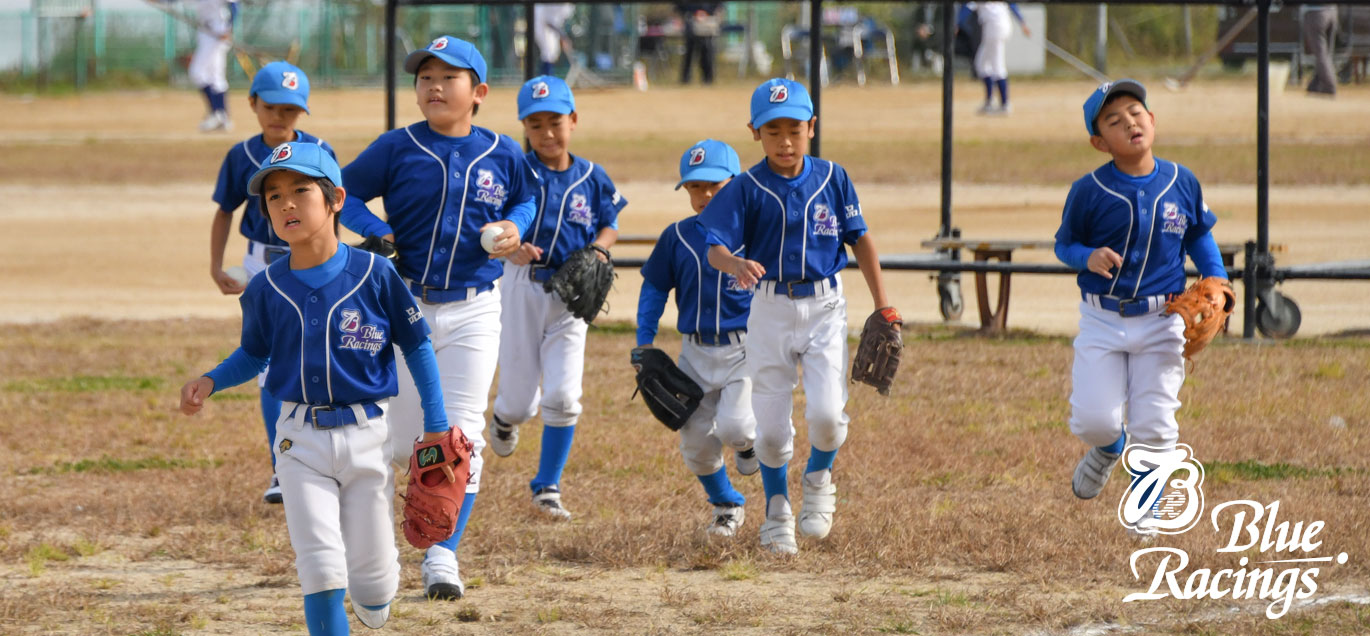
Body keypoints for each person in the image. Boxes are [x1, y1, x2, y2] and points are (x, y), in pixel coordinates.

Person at [179, 141, 451, 634]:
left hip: (368, 436)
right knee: (321, 568)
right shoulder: (265, 287)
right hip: (298, 441)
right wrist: (210, 380)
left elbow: (417, 346)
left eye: (300, 190)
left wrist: (436, 426)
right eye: (274, 196)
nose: (286, 204)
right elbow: (254, 354)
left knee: (374, 584)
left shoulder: (376, 274)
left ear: (336, 199)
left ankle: (374, 595)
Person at [339, 36, 537, 600]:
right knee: (406, 444)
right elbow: (343, 194)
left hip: (476, 307)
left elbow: (525, 199)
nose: (434, 86)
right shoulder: (396, 147)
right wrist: (376, 231)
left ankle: (442, 554)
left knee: (462, 435)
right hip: (405, 306)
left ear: (478, 92)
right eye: (425, 77)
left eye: (449, 77)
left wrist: (515, 226)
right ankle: (381, 548)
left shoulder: (502, 151)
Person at [699, 78, 896, 555]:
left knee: (828, 416)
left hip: (825, 306)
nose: (784, 141)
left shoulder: (833, 177)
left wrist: (883, 304)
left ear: (812, 127)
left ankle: (818, 477)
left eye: (794, 129)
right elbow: (714, 248)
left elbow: (860, 239)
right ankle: (777, 510)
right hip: (769, 309)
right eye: (773, 131)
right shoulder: (746, 187)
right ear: (755, 132)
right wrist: (735, 263)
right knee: (769, 430)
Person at [1055, 80, 1229, 539]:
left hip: (1163, 318)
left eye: (1136, 112)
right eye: (1114, 121)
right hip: (1102, 318)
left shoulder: (1181, 181)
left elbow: (1198, 235)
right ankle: (1109, 447)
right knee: (1093, 420)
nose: (1129, 123)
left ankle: (1146, 505)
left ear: (1152, 120)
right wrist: (1086, 256)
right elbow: (1064, 244)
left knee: (1155, 422)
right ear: (1099, 142)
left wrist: (1218, 280)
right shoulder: (1088, 190)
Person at [487, 75, 627, 520]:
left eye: (555, 122)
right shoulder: (515, 170)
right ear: (524, 127)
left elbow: (610, 223)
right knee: (519, 401)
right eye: (535, 124)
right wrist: (509, 245)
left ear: (573, 120)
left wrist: (600, 248)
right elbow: (491, 224)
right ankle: (504, 418)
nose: (547, 133)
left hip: (571, 295)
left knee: (564, 397)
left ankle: (547, 486)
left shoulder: (592, 175)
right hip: (521, 285)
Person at [209, 60, 334, 505]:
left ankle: (325, 461)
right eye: (271, 107)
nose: (280, 116)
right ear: (252, 104)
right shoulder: (241, 155)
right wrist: (215, 265)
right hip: (262, 266)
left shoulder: (318, 150)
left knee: (320, 359)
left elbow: (334, 210)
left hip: (314, 263)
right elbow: (224, 211)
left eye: (290, 109)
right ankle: (282, 467)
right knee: (268, 368)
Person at [636, 139, 759, 537]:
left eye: (714, 186)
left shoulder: (756, 233)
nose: (704, 195)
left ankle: (749, 445)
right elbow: (654, 288)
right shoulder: (676, 236)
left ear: (735, 184)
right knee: (695, 443)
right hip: (695, 352)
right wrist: (644, 340)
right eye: (695, 186)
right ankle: (727, 505)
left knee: (737, 428)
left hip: (745, 348)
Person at [959, 2, 1029, 114]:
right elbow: (1012, 5)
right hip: (998, 26)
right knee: (981, 64)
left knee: (997, 67)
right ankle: (990, 102)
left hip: (994, 27)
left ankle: (1005, 104)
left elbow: (968, 7)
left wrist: (957, 23)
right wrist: (1022, 22)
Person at [190, 0, 237, 132]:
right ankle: (222, 116)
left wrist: (229, 28)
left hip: (217, 31)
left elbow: (234, 5)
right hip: (205, 30)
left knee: (197, 72)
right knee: (216, 77)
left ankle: (217, 114)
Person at [675, 3, 723, 84]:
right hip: (690, 20)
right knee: (689, 53)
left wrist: (707, 13)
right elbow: (679, 6)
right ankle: (685, 79)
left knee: (707, 52)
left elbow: (719, 6)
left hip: (708, 21)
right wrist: (691, 13)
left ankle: (708, 79)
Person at [1303, 5, 1338, 97]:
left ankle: (1329, 86)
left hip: (1316, 12)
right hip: (1332, 11)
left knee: (1321, 54)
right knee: (1326, 54)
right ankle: (1316, 84)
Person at [533, 3, 576, 76]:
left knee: (553, 53)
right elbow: (548, 21)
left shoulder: (568, 6)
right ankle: (545, 78)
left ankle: (547, 77)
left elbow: (557, 22)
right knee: (549, 52)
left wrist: (563, 37)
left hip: (549, 26)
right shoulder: (556, 6)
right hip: (540, 23)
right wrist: (563, 36)